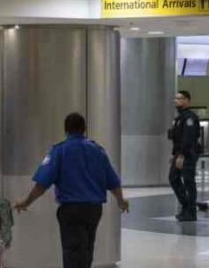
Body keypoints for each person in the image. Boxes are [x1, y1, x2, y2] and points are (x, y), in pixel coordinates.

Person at [14, 113, 130, 268]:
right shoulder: (98, 151)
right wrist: (121, 202)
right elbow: (114, 182)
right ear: (84, 129)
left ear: (66, 130)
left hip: (71, 210)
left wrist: (26, 202)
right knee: (86, 251)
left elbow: (42, 184)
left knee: (73, 253)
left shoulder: (59, 151)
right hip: (94, 210)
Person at [168, 90, 201, 222]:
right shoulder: (179, 118)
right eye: (176, 99)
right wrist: (174, 154)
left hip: (187, 154)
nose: (176, 101)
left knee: (188, 182)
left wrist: (181, 155)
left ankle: (191, 212)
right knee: (173, 178)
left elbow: (188, 138)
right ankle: (186, 206)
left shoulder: (189, 118)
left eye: (180, 98)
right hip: (179, 153)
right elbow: (177, 138)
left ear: (187, 100)